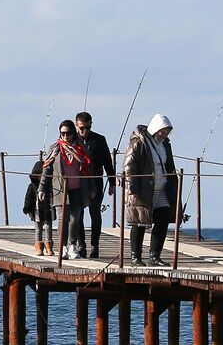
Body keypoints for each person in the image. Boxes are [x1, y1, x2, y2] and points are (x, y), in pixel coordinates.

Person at [123, 113, 178, 267]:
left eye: (167, 130)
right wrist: (132, 188)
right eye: (163, 130)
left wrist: (174, 182)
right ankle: (135, 257)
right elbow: (129, 165)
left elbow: (169, 165)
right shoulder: (138, 142)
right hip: (142, 189)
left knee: (163, 219)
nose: (165, 133)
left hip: (161, 188)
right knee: (139, 222)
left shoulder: (165, 144)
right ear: (156, 128)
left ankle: (155, 256)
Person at [40, 120, 92, 259]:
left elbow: (88, 170)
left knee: (75, 219)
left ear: (73, 133)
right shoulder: (55, 148)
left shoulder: (81, 148)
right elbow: (47, 168)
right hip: (60, 190)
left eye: (68, 133)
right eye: (62, 133)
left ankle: (72, 246)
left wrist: (92, 188)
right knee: (62, 219)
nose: (65, 136)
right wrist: (42, 188)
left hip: (78, 189)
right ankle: (62, 247)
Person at [72, 111, 115, 257]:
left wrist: (112, 183)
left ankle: (94, 246)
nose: (84, 131)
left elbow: (108, 163)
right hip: (78, 184)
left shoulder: (99, 140)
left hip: (96, 182)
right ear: (76, 126)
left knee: (95, 214)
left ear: (91, 125)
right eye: (81, 128)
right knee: (78, 215)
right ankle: (81, 245)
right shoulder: (72, 140)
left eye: (87, 128)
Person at [23, 151, 54, 255]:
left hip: (48, 210)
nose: (41, 176)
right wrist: (27, 209)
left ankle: (49, 247)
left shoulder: (50, 186)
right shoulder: (32, 186)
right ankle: (39, 248)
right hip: (36, 211)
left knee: (48, 228)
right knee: (38, 230)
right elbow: (28, 198)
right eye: (39, 174)